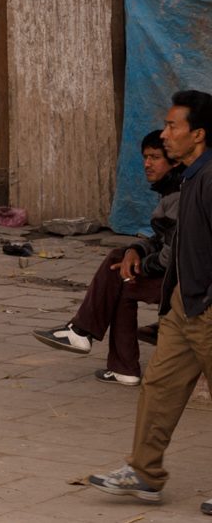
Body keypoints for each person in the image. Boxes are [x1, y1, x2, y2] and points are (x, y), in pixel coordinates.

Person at [89, 89, 212, 507]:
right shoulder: (190, 177)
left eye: (173, 125)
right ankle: (144, 472)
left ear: (198, 134)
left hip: (208, 307)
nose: (165, 133)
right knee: (158, 387)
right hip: (184, 306)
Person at [36, 130, 180, 383]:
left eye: (155, 157)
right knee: (121, 264)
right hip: (181, 275)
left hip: (185, 282)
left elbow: (171, 255)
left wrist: (140, 266)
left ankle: (84, 333)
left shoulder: (180, 195)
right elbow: (160, 240)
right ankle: (117, 364)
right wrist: (135, 251)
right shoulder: (170, 191)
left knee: (119, 272)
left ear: (175, 161)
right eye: (145, 157)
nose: (147, 164)